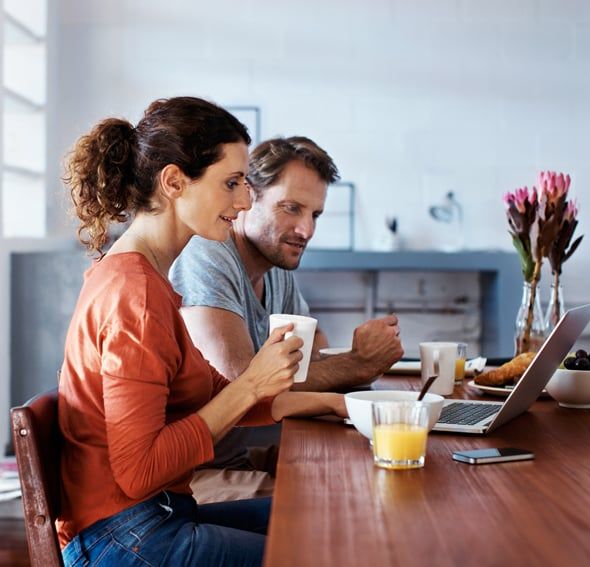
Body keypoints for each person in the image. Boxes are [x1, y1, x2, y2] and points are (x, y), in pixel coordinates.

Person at [57, 97, 348, 567]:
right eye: (231, 183)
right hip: (124, 538)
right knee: (319, 551)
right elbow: (139, 471)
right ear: (173, 182)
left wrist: (337, 404)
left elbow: (216, 397)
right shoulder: (137, 294)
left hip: (156, 518)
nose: (245, 200)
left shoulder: (148, 279)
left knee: (327, 518)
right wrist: (254, 380)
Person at [170, 136, 404, 503]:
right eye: (291, 208)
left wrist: (351, 370)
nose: (306, 230)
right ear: (247, 197)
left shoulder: (275, 268)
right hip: (192, 475)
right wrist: (358, 365)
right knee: (330, 505)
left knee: (368, 475)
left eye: (315, 215)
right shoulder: (207, 255)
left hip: (241, 455)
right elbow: (242, 383)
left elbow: (314, 354)